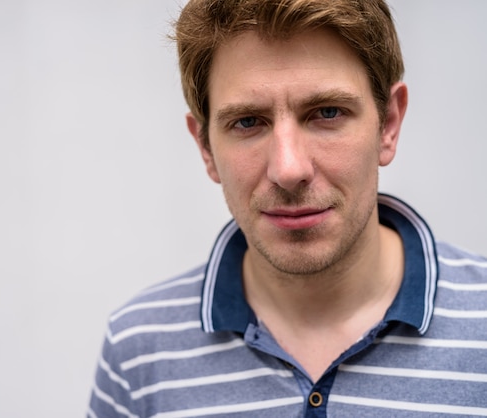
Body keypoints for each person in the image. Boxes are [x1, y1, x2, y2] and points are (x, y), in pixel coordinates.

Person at [88, 0, 487, 416]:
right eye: (247, 122)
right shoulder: (137, 350)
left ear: (387, 124)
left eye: (327, 113)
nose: (289, 169)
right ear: (205, 146)